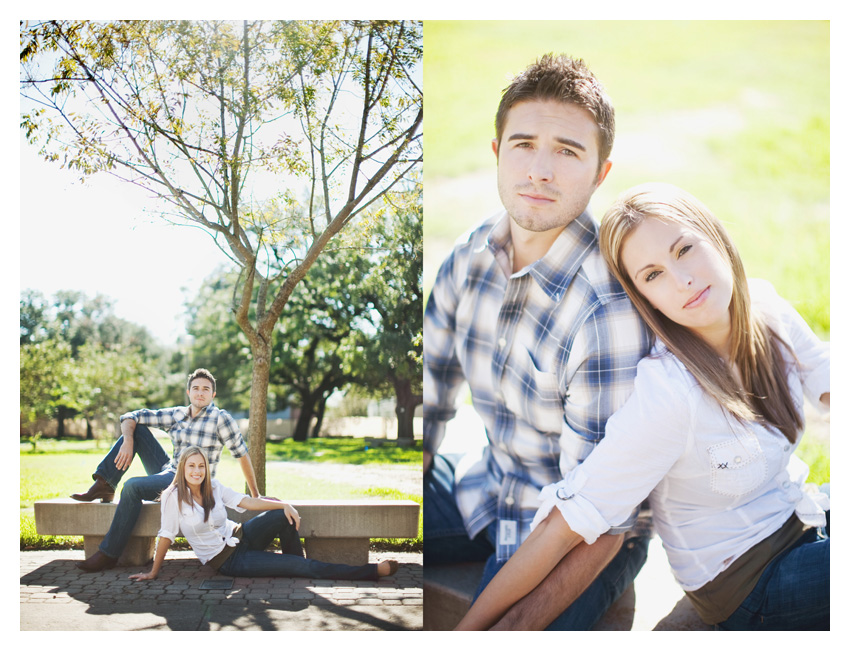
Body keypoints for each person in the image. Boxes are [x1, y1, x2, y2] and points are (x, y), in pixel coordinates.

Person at [455, 182, 830, 631]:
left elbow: (828, 379)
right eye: (652, 275)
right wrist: (468, 632)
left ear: (715, 235)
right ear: (643, 297)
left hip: (805, 519)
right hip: (750, 584)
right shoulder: (669, 393)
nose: (682, 280)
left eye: (685, 249)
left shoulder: (767, 309)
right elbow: (568, 523)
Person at [424, 53, 652, 630]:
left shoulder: (605, 310)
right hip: (487, 480)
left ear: (601, 172)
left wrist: (502, 627)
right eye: (523, 144)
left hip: (577, 534)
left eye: (568, 151)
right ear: (498, 152)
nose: (540, 171)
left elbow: (596, 518)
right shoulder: (470, 257)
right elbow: (429, 397)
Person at [72, 368, 261, 572]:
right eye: (195, 388)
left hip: (191, 483)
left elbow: (242, 454)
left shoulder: (220, 419)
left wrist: (256, 494)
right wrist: (127, 440)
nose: (200, 393)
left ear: (213, 394)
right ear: (188, 392)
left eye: (205, 389)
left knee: (132, 487)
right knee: (138, 429)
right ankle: (105, 483)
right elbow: (131, 416)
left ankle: (109, 554)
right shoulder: (178, 414)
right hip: (171, 469)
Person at [129, 447, 398, 581]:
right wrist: (153, 572)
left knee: (285, 517)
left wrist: (282, 505)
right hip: (228, 561)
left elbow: (245, 502)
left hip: (242, 535)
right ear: (183, 469)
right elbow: (165, 535)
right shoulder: (172, 497)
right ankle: (371, 571)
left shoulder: (214, 487)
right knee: (301, 566)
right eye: (191, 466)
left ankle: (297, 566)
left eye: (201, 466)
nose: (197, 471)